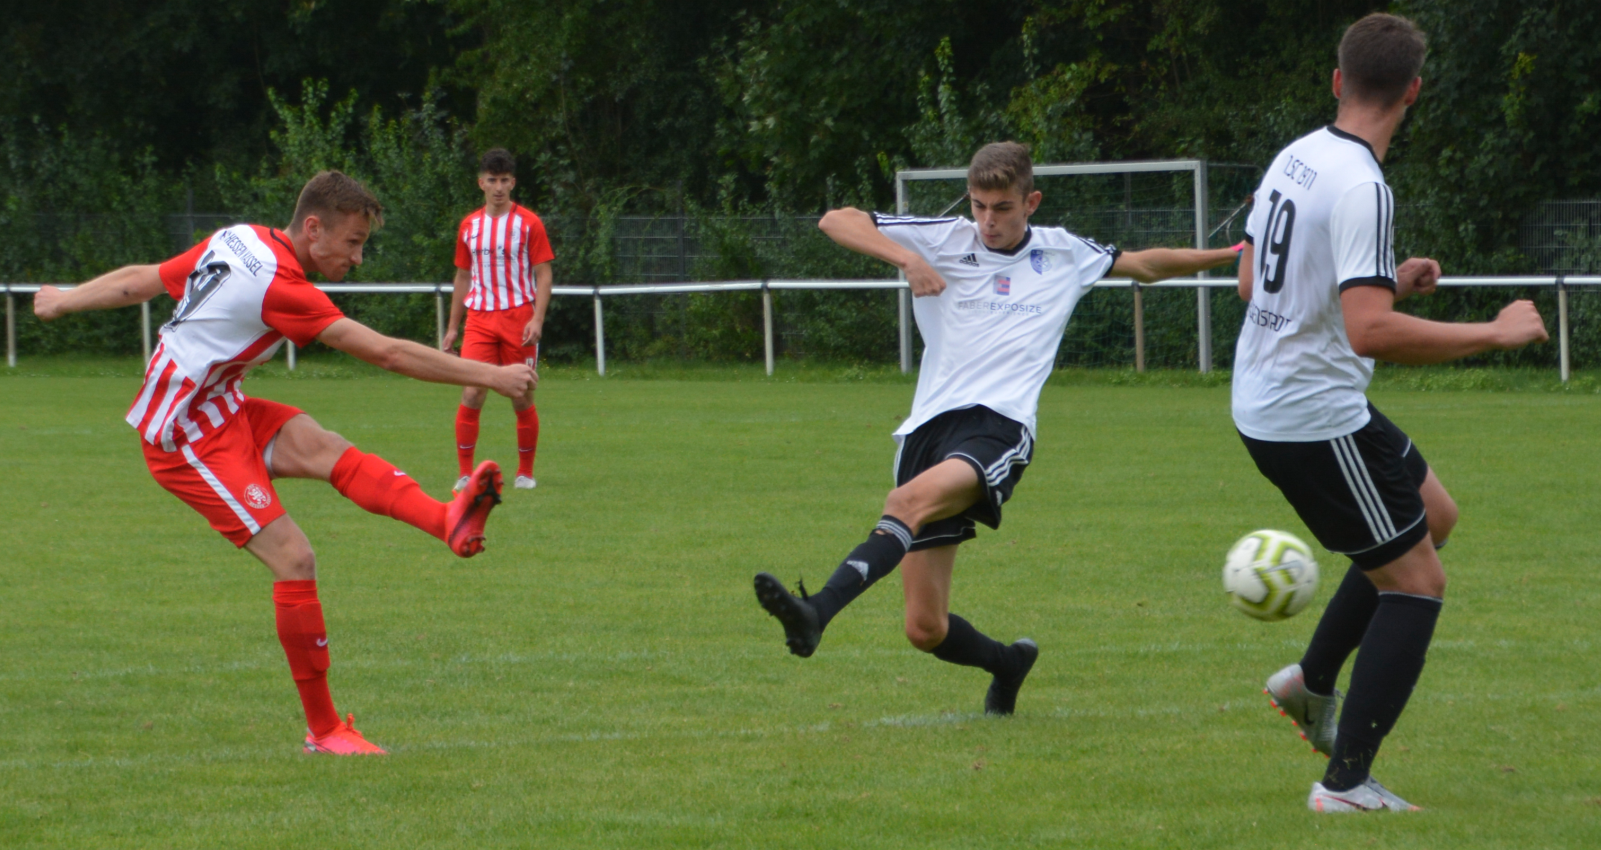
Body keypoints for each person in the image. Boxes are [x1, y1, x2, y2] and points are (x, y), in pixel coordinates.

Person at [33, 171, 537, 755]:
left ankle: (446, 519)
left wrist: (65, 300)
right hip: (184, 436)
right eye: (352, 242)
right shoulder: (280, 285)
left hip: (222, 407)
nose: (359, 256)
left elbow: (143, 280)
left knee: (324, 444)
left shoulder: (236, 237)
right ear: (314, 228)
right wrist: (492, 374)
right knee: (295, 558)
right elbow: (388, 353)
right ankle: (324, 731)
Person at [753, 142, 1240, 715]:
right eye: (980, 205)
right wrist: (905, 259)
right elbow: (837, 220)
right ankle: (1007, 664)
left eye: (1003, 207)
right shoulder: (943, 237)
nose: (989, 219)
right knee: (924, 628)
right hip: (926, 430)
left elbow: (1149, 264)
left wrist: (1233, 251)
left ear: (1030, 201)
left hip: (998, 427)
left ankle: (818, 612)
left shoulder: (1065, 253)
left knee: (905, 502)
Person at [1232, 13, 1548, 812]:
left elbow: (1252, 286)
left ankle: (1308, 681)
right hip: (1311, 415)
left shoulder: (1296, 156)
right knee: (1416, 584)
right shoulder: (1363, 183)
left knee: (1434, 515)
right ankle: (1344, 784)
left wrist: (1383, 277)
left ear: (1337, 81)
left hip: (1288, 396)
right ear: (1412, 91)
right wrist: (1496, 332)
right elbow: (1367, 329)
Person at [441, 148, 555, 492]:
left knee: (521, 395)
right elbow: (463, 277)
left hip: (519, 318)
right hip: (479, 318)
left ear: (513, 182)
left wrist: (537, 318)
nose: (499, 187)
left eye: (505, 180)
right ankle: (464, 473)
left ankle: (525, 472)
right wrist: (452, 327)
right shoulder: (469, 226)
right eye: (492, 180)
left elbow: (544, 274)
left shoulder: (529, 223)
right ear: (481, 183)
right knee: (473, 391)